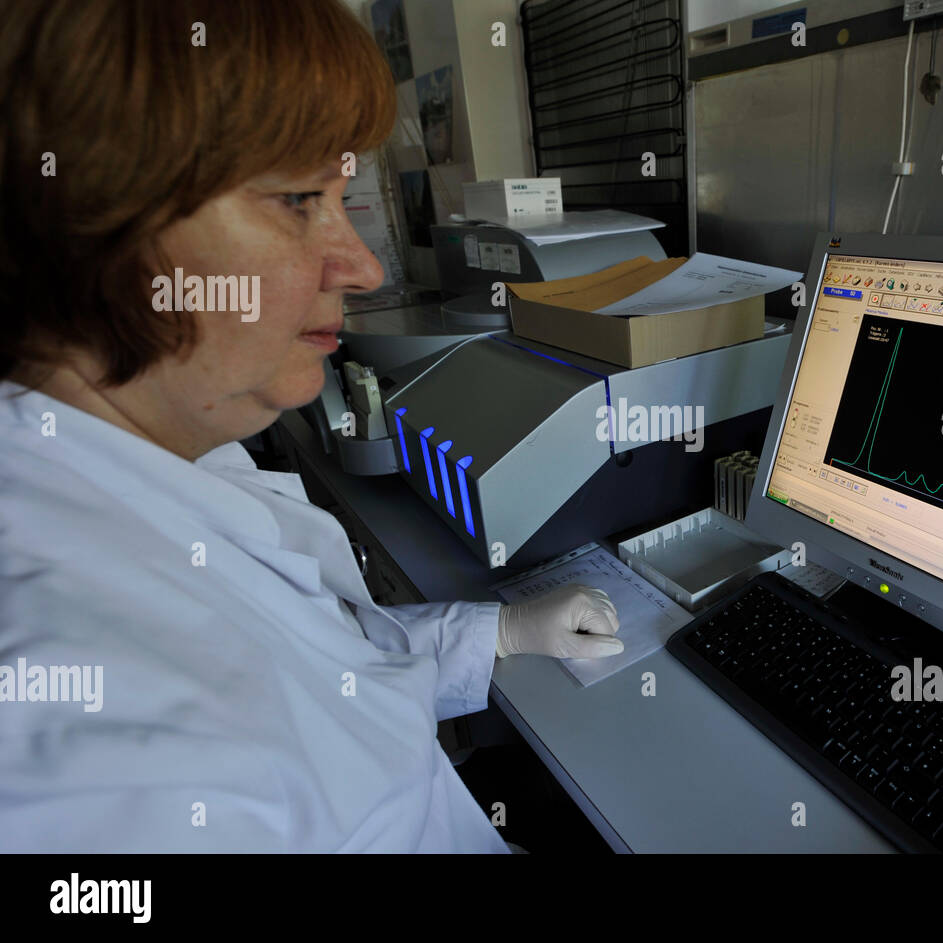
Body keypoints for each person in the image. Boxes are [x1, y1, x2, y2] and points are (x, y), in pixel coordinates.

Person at [0, 0, 622, 852]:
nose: (363, 266)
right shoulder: (95, 755)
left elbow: (328, 675)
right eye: (298, 199)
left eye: (339, 193)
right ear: (95, 219)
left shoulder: (172, 454)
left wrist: (497, 631)